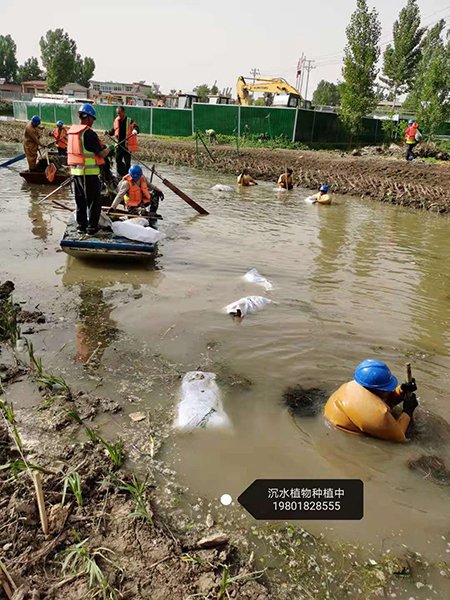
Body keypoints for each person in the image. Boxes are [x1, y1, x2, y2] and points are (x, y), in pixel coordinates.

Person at [324, 360, 418, 442]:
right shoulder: (377, 413)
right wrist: (408, 411)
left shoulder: (352, 385)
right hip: (344, 436)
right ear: (377, 390)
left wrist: (402, 390)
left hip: (332, 420)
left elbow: (382, 400)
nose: (390, 390)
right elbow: (399, 438)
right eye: (386, 389)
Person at [67, 104, 112, 235]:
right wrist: (110, 148)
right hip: (89, 173)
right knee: (94, 202)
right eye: (93, 119)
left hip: (76, 172)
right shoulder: (88, 133)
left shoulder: (73, 132)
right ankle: (92, 229)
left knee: (80, 201)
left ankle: (81, 227)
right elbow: (101, 154)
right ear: (88, 117)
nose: (92, 122)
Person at [106, 106, 139, 177]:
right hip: (118, 145)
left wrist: (135, 130)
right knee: (118, 160)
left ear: (123, 112)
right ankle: (120, 175)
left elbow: (136, 127)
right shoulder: (116, 120)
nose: (119, 115)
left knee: (127, 162)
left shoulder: (129, 120)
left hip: (127, 146)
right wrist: (108, 132)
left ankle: (127, 175)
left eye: (120, 113)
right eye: (117, 114)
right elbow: (113, 130)